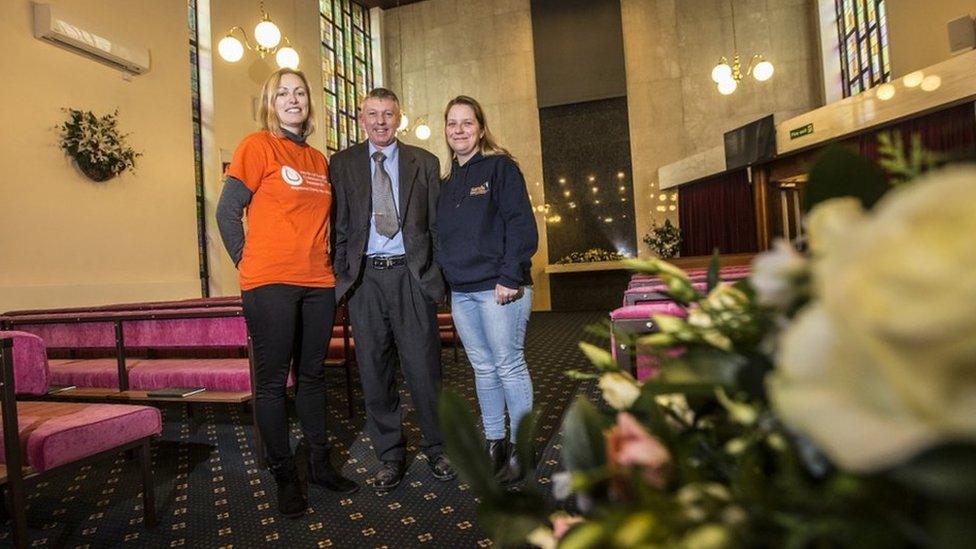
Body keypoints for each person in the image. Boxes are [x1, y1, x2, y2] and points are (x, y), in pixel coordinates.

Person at [215, 68, 358, 518]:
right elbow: (226, 211)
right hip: (269, 283)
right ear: (270, 103)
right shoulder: (257, 146)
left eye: (299, 92)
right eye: (283, 93)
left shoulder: (318, 159)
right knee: (275, 382)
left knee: (313, 376)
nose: (293, 99)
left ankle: (318, 463)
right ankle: (283, 473)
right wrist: (248, 261)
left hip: (318, 282)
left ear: (308, 102)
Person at [329, 88, 455, 494]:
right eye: (372, 114)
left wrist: (434, 275)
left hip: (411, 276)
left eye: (388, 114)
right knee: (374, 371)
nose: (380, 121)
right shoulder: (343, 164)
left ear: (398, 117)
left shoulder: (425, 162)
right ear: (361, 119)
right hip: (365, 280)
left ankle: (437, 447)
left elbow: (437, 228)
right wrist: (341, 274)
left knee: (423, 367)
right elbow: (339, 227)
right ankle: (390, 454)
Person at [436, 95, 538, 484]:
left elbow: (521, 225)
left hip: (500, 288)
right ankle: (494, 442)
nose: (459, 130)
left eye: (467, 123)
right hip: (462, 293)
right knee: (483, 369)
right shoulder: (446, 183)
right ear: (446, 130)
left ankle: (520, 448)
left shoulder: (500, 168)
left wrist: (510, 276)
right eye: (452, 123)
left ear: (480, 128)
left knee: (509, 365)